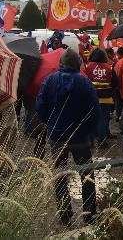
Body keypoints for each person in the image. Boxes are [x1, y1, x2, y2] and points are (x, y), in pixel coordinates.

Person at [36, 48, 101, 225]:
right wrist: (88, 130)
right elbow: (95, 112)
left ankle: (65, 214)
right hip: (81, 139)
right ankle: (89, 213)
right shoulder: (85, 82)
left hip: (57, 137)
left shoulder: (49, 80)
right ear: (78, 64)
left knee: (59, 175)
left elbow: (40, 107)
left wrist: (50, 123)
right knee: (87, 176)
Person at [85, 48, 118, 147]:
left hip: (90, 98)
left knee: (90, 119)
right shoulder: (109, 67)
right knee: (103, 120)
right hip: (105, 98)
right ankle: (101, 141)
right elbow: (116, 83)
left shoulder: (87, 66)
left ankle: (90, 141)